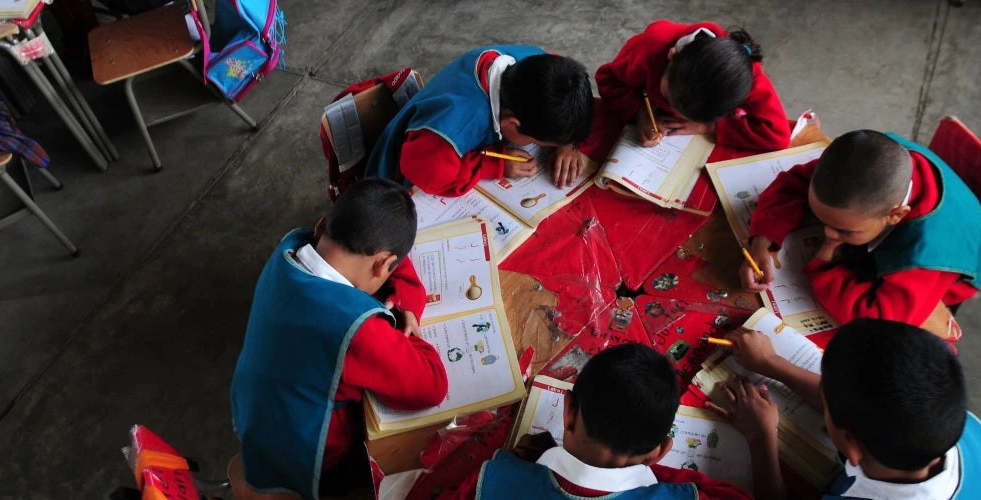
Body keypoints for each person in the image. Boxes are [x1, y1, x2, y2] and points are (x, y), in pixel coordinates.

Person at [230, 178, 448, 499]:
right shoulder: (355, 328)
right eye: (392, 267)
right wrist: (405, 316)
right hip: (310, 458)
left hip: (256, 423)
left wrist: (402, 297)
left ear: (322, 225)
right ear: (384, 264)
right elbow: (431, 386)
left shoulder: (290, 249)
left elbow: (388, 265)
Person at [741, 130, 981, 341]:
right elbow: (792, 183)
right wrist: (763, 239)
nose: (828, 233)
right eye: (823, 221)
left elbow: (879, 318)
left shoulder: (925, 257)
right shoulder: (861, 168)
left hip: (947, 277)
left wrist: (824, 267)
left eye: (844, 230)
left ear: (895, 215)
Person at [710, 319, 981, 499]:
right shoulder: (962, 425)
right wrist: (771, 363)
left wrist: (760, 436)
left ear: (851, 447)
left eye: (828, 404)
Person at [441, 343, 751, 499]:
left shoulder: (492, 480)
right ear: (659, 452)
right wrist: (761, 436)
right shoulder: (685, 496)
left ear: (569, 412)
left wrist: (524, 465)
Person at [366, 45, 594, 195]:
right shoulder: (456, 124)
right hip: (395, 183)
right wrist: (495, 165)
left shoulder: (531, 64)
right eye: (541, 143)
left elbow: (563, 78)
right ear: (511, 124)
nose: (540, 148)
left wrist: (568, 143)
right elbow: (428, 175)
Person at [596, 20, 790, 151]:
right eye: (668, 99)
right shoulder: (649, 48)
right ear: (672, 56)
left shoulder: (742, 76)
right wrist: (640, 113)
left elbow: (778, 135)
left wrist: (710, 127)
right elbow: (608, 79)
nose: (675, 113)